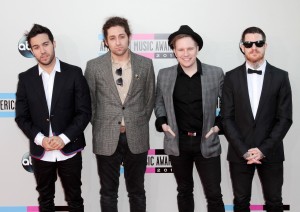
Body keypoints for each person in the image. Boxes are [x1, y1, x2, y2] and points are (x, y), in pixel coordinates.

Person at [15, 24, 91, 212]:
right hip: (41, 152)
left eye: (45, 44)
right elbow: (21, 117)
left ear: (53, 43)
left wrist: (63, 138)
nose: (42, 50)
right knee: (45, 200)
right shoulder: (25, 79)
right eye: (36, 47)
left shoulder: (74, 73)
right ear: (31, 50)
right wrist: (41, 139)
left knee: (75, 199)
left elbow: (84, 112)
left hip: (70, 148)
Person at [84, 16, 155, 212]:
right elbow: (89, 102)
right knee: (108, 192)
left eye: (122, 36)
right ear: (105, 41)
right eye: (112, 38)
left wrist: (136, 122)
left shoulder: (145, 65)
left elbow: (149, 101)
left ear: (129, 37)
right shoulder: (93, 66)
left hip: (137, 136)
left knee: (137, 192)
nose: (118, 42)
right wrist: (102, 124)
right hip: (105, 137)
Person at [154, 25, 225, 212]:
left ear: (197, 49)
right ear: (174, 52)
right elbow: (159, 102)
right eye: (181, 49)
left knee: (214, 195)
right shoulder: (165, 75)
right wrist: (162, 122)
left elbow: (227, 105)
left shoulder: (215, 73)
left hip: (207, 141)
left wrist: (218, 127)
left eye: (190, 48)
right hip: (178, 142)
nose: (186, 54)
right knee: (184, 191)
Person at [222, 26, 293, 212]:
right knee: (241, 202)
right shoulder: (230, 77)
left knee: (274, 202)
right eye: (248, 43)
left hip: (271, 152)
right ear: (242, 47)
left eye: (258, 43)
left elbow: (285, 118)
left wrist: (263, 149)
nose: (254, 47)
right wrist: (244, 150)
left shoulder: (281, 77)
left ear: (265, 46)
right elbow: (226, 118)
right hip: (240, 153)